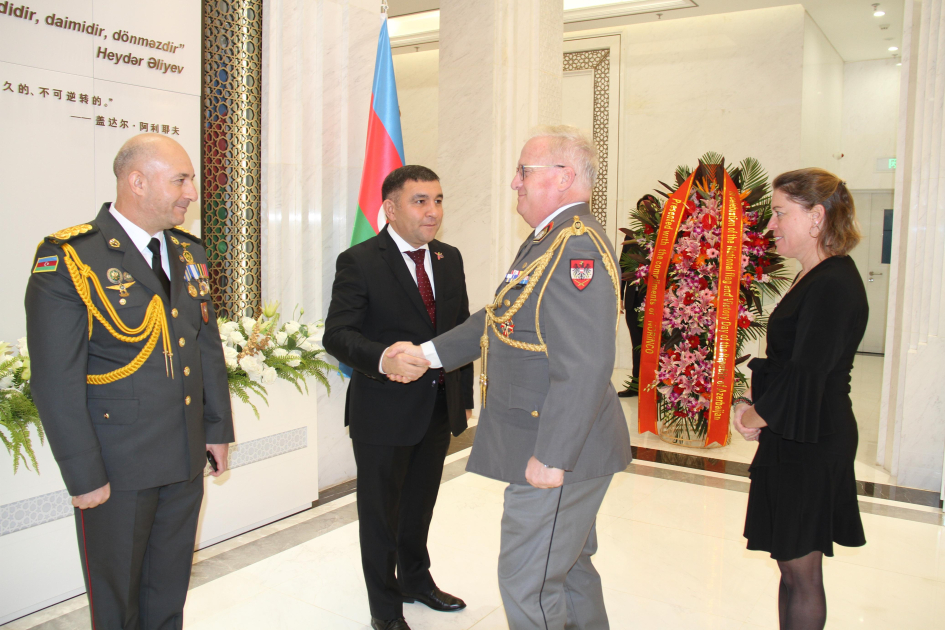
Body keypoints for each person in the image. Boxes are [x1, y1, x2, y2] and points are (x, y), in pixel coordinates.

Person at [388, 126, 633, 629]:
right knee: (568, 570)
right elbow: (499, 315)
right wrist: (428, 353)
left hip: (558, 446)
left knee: (529, 583)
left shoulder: (575, 248)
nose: (514, 183)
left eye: (525, 171)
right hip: (557, 438)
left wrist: (553, 456)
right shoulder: (548, 240)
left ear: (563, 178)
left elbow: (585, 364)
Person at [25, 133, 234, 629]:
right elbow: (55, 379)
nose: (191, 192)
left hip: (183, 455)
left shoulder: (189, 252)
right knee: (117, 601)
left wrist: (216, 429)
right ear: (136, 182)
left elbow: (205, 346)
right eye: (180, 179)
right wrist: (83, 474)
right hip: (116, 467)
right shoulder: (71, 257)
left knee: (168, 591)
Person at [322, 165, 474, 630]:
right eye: (420, 201)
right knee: (380, 516)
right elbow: (337, 335)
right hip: (383, 412)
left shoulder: (450, 258)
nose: (433, 212)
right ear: (390, 208)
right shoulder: (360, 260)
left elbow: (461, 334)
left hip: (434, 408)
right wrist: (383, 358)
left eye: (439, 200)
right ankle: (384, 611)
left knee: (419, 507)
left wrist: (462, 399)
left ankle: (415, 581)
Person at [732, 168, 867, 630]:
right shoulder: (815, 276)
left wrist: (756, 413)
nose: (771, 225)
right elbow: (792, 360)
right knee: (790, 566)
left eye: (780, 213)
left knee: (802, 570)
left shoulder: (833, 283)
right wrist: (754, 394)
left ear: (816, 216)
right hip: (796, 432)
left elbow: (810, 372)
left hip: (812, 440)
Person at [617, 194, 657, 397]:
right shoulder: (631, 235)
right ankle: (636, 386)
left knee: (656, 344)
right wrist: (620, 297)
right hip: (634, 298)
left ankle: (657, 387)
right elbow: (622, 267)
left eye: (650, 207)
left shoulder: (663, 234)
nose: (646, 210)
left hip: (656, 299)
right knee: (637, 343)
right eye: (642, 207)